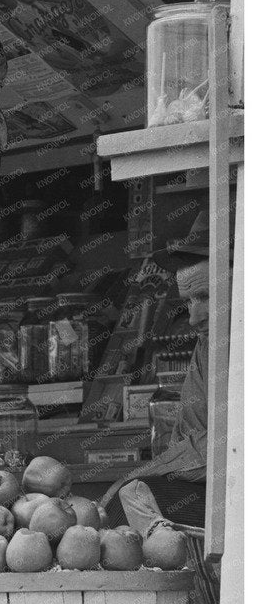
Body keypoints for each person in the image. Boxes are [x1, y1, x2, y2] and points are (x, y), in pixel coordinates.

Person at [109, 211, 210, 535]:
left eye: (205, 296)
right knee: (124, 506)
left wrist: (134, 478)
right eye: (189, 301)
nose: (194, 318)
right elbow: (191, 435)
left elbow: (228, 445)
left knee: (126, 500)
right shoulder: (209, 344)